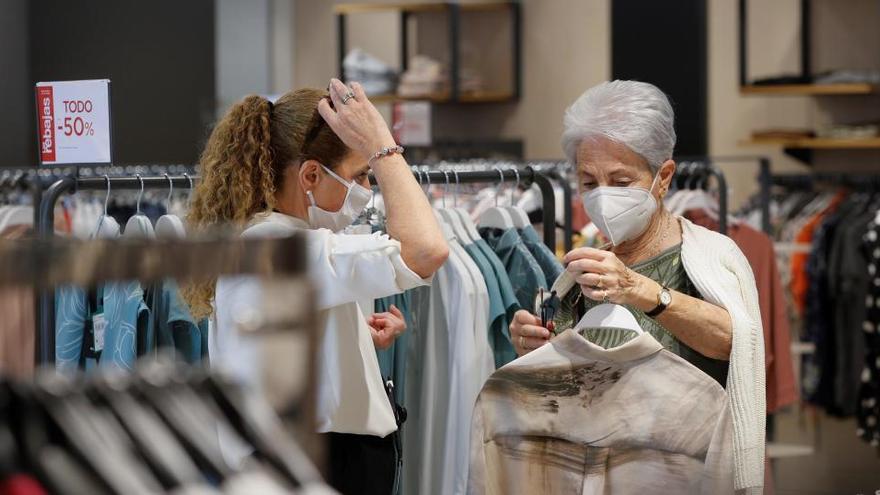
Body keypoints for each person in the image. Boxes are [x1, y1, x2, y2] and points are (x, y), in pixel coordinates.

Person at [183, 79, 449, 494]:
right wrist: (383, 147)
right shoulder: (281, 248)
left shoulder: (271, 240)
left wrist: (349, 339)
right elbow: (426, 250)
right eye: (360, 176)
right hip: (319, 464)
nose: (366, 191)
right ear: (310, 174)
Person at [508, 80, 766, 493]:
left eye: (621, 181)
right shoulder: (579, 271)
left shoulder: (710, 258)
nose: (603, 196)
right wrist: (534, 346)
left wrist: (642, 290)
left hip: (683, 476)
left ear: (662, 177)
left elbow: (737, 343)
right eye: (589, 183)